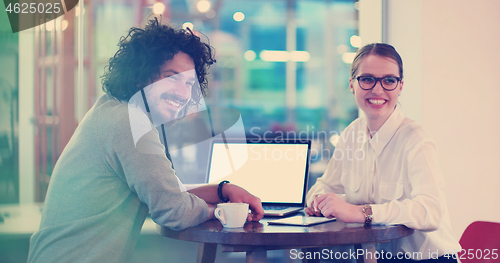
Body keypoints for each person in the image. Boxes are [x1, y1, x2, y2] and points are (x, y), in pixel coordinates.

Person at [28, 18, 264, 263]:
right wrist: (227, 212)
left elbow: (163, 189)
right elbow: (174, 211)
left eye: (189, 83)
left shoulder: (114, 109)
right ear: (141, 75)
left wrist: (222, 190)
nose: (183, 93)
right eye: (171, 77)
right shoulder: (128, 122)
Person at [305, 43, 461, 262]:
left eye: (388, 80)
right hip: (374, 257)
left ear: (400, 86)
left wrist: (362, 213)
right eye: (367, 79)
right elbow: (325, 186)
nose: (378, 90)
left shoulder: (415, 138)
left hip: (428, 259)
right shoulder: (352, 133)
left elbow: (430, 211)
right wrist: (319, 201)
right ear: (352, 84)